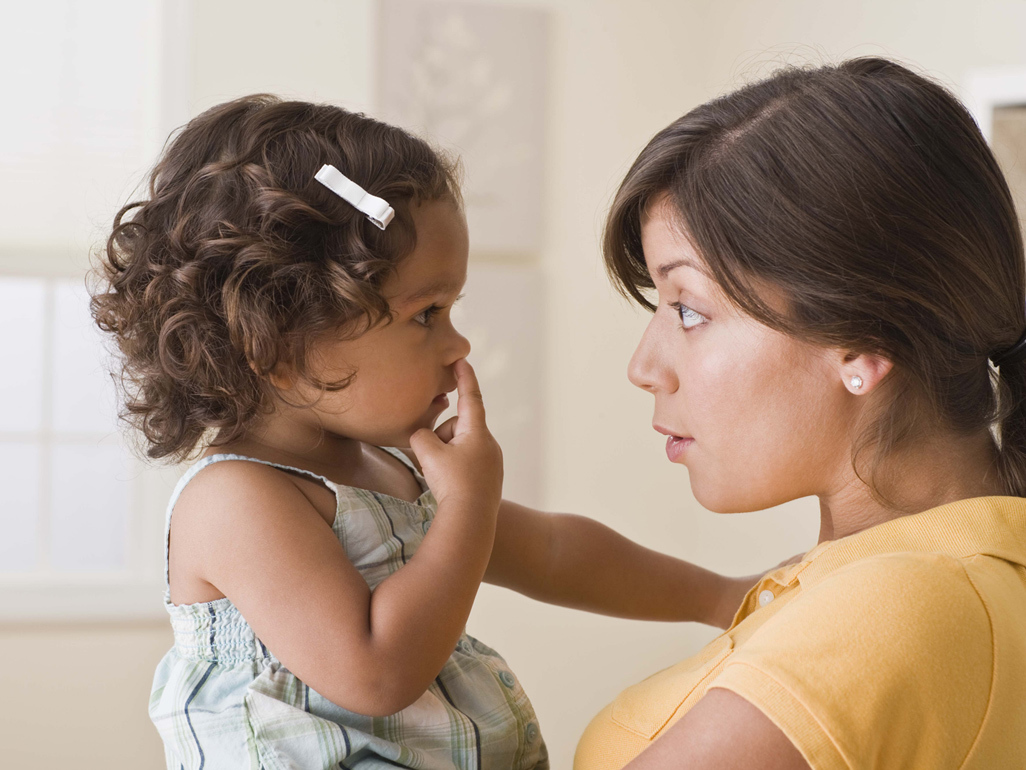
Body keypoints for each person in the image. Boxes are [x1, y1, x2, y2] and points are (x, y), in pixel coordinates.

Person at [91, 95, 763, 770]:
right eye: (426, 314)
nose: (456, 343)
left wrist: (724, 596)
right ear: (283, 343)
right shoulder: (236, 500)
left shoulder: (392, 470)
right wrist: (468, 507)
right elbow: (376, 673)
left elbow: (557, 552)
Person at [574, 56, 1026, 770]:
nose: (643, 367)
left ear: (862, 341)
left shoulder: (896, 604)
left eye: (689, 310)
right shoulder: (933, 575)